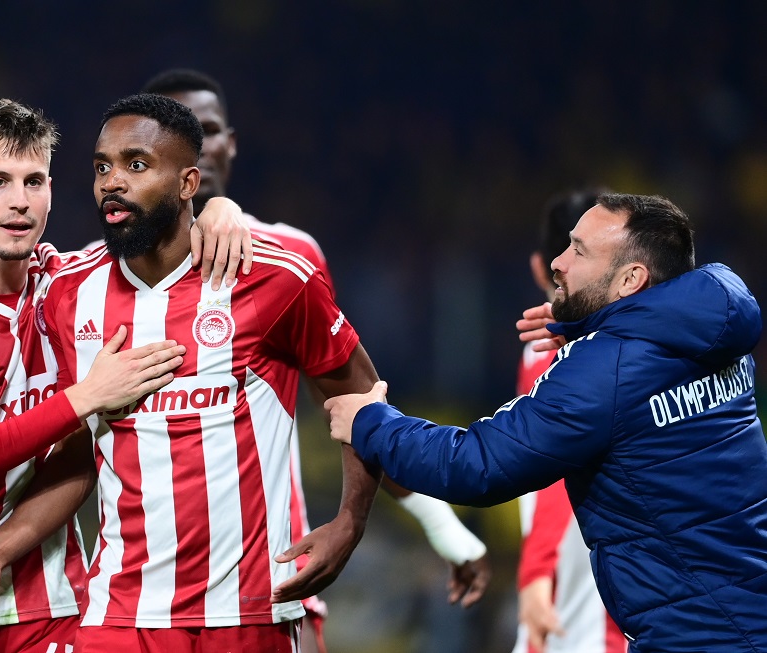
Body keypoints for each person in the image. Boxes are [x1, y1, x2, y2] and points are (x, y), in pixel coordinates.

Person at [0, 93, 384, 652]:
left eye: (137, 165)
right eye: (102, 167)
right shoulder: (68, 294)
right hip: (119, 617)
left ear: (188, 182)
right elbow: (79, 453)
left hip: (247, 615)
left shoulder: (273, 279)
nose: (113, 182)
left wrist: (350, 521)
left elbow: (363, 396)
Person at [0, 97, 252, 652]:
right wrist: (84, 397)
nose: (19, 201)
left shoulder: (75, 289)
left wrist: (220, 209)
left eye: (34, 182)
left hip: (53, 599)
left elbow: (166, 238)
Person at [136, 67, 491, 651]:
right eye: (179, 132)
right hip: (134, 606)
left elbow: (353, 402)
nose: (197, 145)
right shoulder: (98, 276)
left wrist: (439, 523)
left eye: (209, 130)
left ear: (232, 143)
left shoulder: (289, 256)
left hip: (268, 593)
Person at [326, 193, 767, 652]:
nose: (558, 261)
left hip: (698, 637)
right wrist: (595, 323)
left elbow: (476, 465)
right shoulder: (718, 330)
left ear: (631, 279)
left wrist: (371, 422)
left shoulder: (603, 370)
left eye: (579, 251)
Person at [511, 188, 626, 653]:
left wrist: (535, 573)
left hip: (582, 564)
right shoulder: (641, 343)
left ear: (541, 267)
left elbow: (556, 466)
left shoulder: (562, 353)